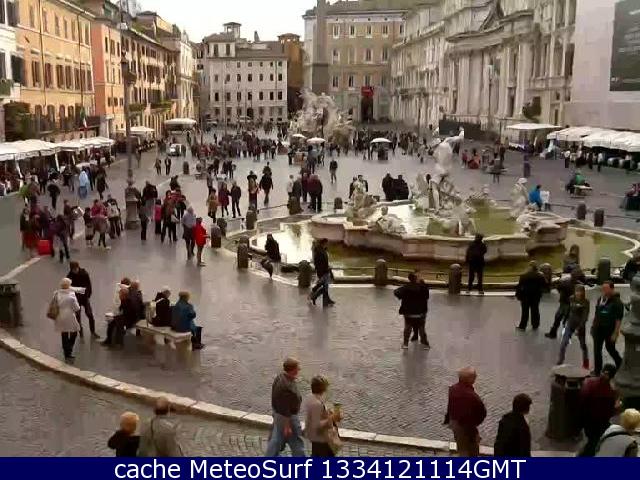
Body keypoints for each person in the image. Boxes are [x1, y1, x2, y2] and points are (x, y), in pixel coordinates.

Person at [264, 358, 305, 457]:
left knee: (276, 438)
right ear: (292, 370)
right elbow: (285, 409)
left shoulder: (280, 377)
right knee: (296, 440)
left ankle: (270, 456)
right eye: (297, 368)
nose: (299, 369)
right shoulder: (286, 387)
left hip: (278, 414)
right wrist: (287, 426)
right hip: (288, 418)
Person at [445, 367, 486, 457]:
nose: (476, 377)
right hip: (468, 428)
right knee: (472, 452)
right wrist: (475, 427)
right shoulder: (472, 396)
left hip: (455, 424)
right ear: (469, 379)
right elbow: (482, 413)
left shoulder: (452, 389)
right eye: (474, 376)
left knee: (462, 449)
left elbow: (450, 406)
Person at [578, 364, 618, 456]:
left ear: (601, 372)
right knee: (594, 442)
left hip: (588, 420)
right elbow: (611, 411)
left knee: (592, 441)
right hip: (601, 423)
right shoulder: (611, 391)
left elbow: (582, 402)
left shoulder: (589, 383)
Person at [302, 375, 341, 457]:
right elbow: (316, 425)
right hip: (321, 440)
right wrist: (331, 418)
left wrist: (327, 413)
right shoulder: (317, 404)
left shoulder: (310, 398)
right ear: (324, 388)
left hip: (317, 439)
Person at [592, 281, 624, 375]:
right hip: (598, 328)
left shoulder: (617, 302)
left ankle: (620, 364)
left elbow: (618, 319)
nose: (604, 290)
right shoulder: (601, 299)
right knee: (597, 350)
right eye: (603, 289)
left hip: (609, 329)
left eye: (606, 288)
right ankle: (597, 370)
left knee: (610, 348)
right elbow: (597, 313)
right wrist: (593, 326)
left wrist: (615, 333)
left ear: (612, 289)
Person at [556, 284, 590, 368]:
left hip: (580, 325)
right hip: (570, 324)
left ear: (583, 292)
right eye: (576, 291)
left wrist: (579, 327)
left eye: (580, 291)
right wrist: (565, 320)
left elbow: (585, 316)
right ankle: (560, 360)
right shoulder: (571, 299)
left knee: (583, 345)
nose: (578, 293)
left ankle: (585, 362)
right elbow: (569, 310)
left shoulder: (585, 302)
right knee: (563, 343)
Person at [394, 272, 430, 349]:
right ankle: (425, 344)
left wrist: (404, 296)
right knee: (421, 328)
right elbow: (427, 296)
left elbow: (396, 292)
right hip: (420, 313)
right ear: (416, 279)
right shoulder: (423, 288)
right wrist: (422, 284)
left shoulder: (405, 287)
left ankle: (405, 344)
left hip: (408, 313)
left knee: (407, 328)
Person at [50, 277, 81, 361]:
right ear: (68, 286)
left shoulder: (56, 293)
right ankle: (69, 349)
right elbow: (77, 308)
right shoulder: (71, 296)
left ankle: (66, 352)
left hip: (59, 316)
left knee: (64, 334)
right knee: (74, 332)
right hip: (69, 316)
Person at [67, 261, 99, 339]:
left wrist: (88, 294)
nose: (75, 271)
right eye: (74, 270)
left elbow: (89, 284)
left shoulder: (84, 273)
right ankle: (80, 331)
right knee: (77, 317)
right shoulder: (69, 277)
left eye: (76, 269)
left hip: (84, 297)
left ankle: (93, 331)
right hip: (76, 299)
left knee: (90, 314)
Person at [545, 272, 578, 339]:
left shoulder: (566, 283)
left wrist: (560, 281)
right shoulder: (574, 283)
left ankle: (553, 333)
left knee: (558, 318)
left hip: (564, 303)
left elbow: (558, 286)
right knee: (568, 319)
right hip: (570, 303)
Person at [515, 262, 546, 331]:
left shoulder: (524, 275)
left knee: (525, 311)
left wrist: (518, 295)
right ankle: (535, 325)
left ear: (529, 267)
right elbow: (544, 285)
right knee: (535, 310)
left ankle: (522, 326)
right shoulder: (540, 276)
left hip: (525, 296)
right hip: (536, 296)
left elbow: (519, 286)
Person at [309, 239, 334, 307]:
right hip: (323, 272)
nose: (328, 244)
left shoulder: (322, 250)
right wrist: (326, 269)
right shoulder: (320, 252)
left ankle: (325, 300)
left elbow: (323, 262)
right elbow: (319, 263)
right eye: (327, 243)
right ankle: (316, 297)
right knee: (325, 287)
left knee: (325, 287)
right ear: (324, 243)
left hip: (324, 271)